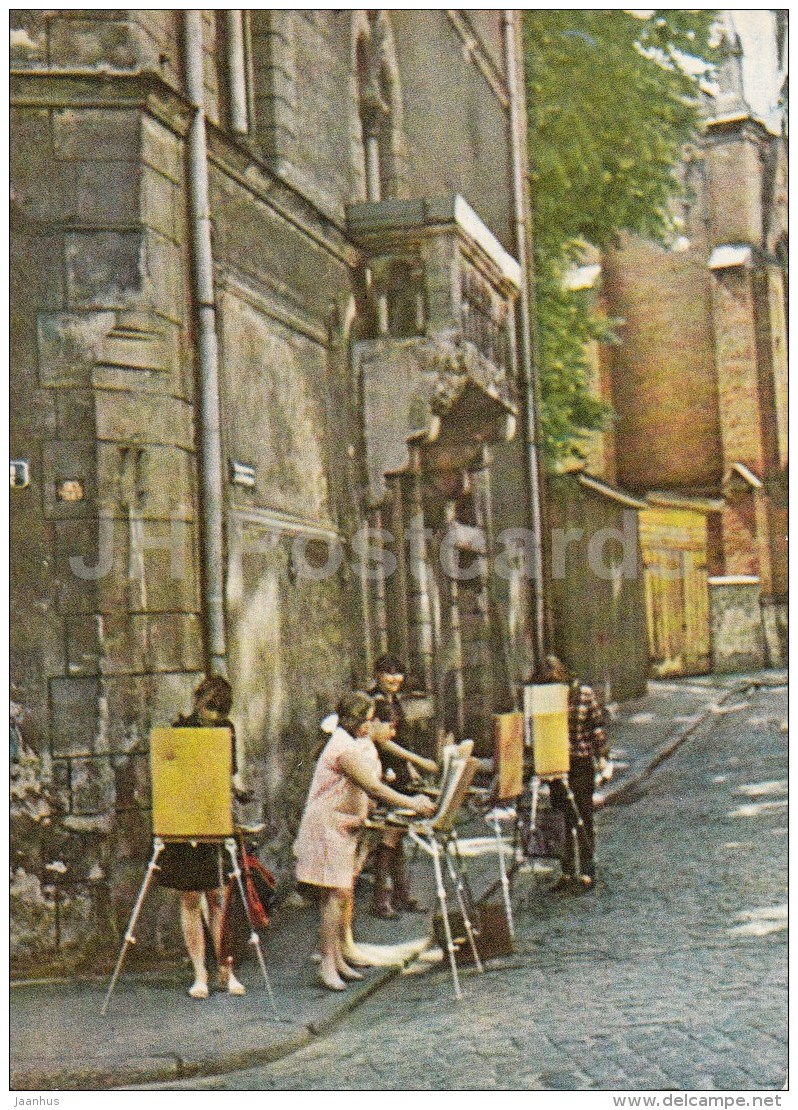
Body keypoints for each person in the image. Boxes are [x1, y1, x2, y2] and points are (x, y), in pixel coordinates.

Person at [293, 690, 435, 991]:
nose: (371, 726)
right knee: (334, 896)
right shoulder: (343, 749)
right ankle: (328, 964)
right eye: (368, 720)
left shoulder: (352, 743)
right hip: (327, 825)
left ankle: (338, 959)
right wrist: (413, 803)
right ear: (356, 720)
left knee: (341, 894)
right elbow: (374, 788)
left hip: (342, 824)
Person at [156, 675, 252, 999]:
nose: (214, 716)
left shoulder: (227, 730)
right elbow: (168, 777)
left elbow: (231, 771)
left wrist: (240, 791)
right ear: (198, 701)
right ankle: (199, 972)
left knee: (218, 897)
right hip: (186, 820)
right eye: (210, 708)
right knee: (190, 898)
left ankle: (226, 968)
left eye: (220, 711)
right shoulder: (180, 731)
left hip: (215, 818)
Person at [368, 655, 438, 918]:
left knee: (397, 834)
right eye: (388, 673)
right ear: (377, 674)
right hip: (382, 772)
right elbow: (383, 743)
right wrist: (418, 761)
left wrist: (409, 769)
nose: (395, 679)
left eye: (398, 674)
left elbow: (400, 739)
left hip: (396, 771)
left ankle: (399, 894)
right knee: (389, 835)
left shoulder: (392, 700)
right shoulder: (375, 702)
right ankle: (381, 899)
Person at [534, 655, 608, 891]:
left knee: (583, 816)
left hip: (581, 763)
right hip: (556, 764)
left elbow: (596, 727)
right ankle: (566, 872)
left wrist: (603, 759)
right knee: (561, 820)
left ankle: (587, 871)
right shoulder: (544, 699)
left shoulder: (584, 694)